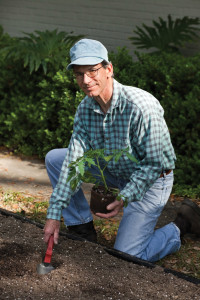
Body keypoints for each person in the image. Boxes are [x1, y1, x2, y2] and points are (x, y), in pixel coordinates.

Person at [44, 39, 200, 262]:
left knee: (127, 256)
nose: (86, 80)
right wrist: (53, 214)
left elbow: (155, 163)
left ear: (109, 69)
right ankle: (81, 228)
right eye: (79, 74)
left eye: (92, 71)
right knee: (56, 159)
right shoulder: (85, 108)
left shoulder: (140, 106)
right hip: (116, 172)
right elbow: (74, 160)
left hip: (151, 180)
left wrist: (125, 197)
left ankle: (182, 224)